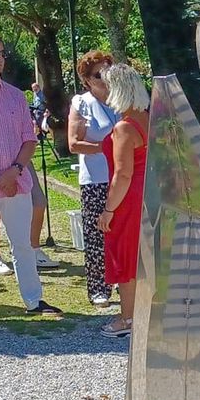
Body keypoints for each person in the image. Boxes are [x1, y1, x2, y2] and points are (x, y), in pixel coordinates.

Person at [0, 32, 63, 327]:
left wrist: (15, 170)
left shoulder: (16, 96)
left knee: (23, 244)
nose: (0, 58)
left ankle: (33, 299)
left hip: (17, 183)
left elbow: (28, 140)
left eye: (2, 53)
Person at [95, 64, 149, 337]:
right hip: (150, 193)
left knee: (126, 257)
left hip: (129, 198)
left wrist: (108, 209)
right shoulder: (150, 118)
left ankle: (128, 319)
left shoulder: (124, 127)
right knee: (144, 257)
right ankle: (141, 313)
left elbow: (123, 174)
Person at [68, 50, 121, 306]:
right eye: (99, 74)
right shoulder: (81, 102)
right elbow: (74, 144)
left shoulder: (122, 100)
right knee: (97, 234)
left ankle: (124, 281)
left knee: (123, 232)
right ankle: (99, 288)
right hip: (96, 179)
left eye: (108, 72)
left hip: (122, 176)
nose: (105, 78)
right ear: (87, 79)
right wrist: (109, 147)